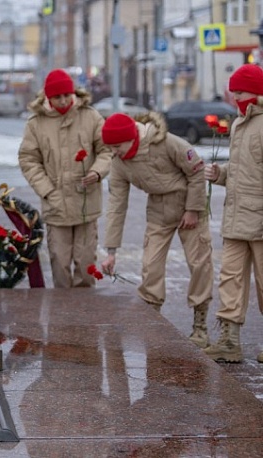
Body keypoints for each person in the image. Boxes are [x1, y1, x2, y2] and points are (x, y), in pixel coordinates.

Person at [98, 112, 213, 348]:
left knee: (199, 264)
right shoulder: (119, 162)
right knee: (150, 266)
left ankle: (200, 326)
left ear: (132, 137)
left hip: (189, 205)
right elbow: (116, 206)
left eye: (117, 146)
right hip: (158, 210)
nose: (114, 152)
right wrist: (111, 251)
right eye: (110, 147)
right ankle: (152, 322)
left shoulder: (166, 142)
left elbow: (196, 172)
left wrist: (193, 210)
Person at [18, 68, 112, 287]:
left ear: (73, 93)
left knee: (86, 264)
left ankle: (85, 307)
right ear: (48, 98)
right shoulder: (36, 123)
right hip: (56, 204)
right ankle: (62, 308)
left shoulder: (90, 116)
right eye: (57, 97)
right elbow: (28, 159)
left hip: (86, 202)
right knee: (59, 263)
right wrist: (47, 190)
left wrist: (97, 171)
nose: (62, 101)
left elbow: (106, 149)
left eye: (66, 95)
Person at [203, 63, 263, 363]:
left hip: (260, 218)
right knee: (230, 278)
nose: (235, 97)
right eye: (233, 92)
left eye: (240, 92)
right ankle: (229, 341)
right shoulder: (239, 123)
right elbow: (244, 170)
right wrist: (221, 174)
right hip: (236, 216)